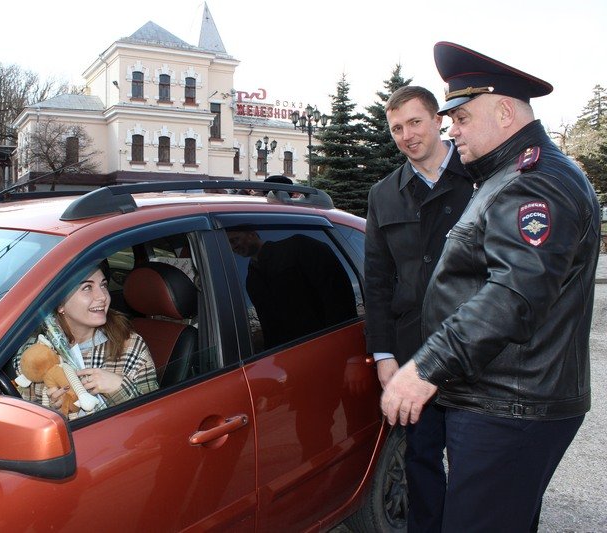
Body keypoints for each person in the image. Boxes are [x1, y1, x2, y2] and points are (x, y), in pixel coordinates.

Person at [381, 42, 600, 532]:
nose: (450, 128)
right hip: (504, 398)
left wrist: (427, 367)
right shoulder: (511, 175)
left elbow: (513, 295)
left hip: (509, 406)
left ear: (504, 112)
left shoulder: (533, 182)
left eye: (460, 116)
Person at [365, 85, 473, 532]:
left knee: (476, 468)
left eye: (414, 122)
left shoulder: (480, 178)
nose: (407, 135)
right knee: (422, 462)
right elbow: (375, 281)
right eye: (396, 128)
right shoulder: (384, 194)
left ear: (437, 120)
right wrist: (384, 355)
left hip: (476, 351)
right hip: (414, 355)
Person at [14, 260, 158, 417]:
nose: (102, 296)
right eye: (87, 287)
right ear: (59, 304)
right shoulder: (36, 350)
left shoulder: (130, 346)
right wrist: (55, 413)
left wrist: (119, 387)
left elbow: (154, 416)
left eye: (103, 285)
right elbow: (23, 416)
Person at [227, 228, 357, 350]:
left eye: (235, 240)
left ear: (251, 234)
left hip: (328, 346)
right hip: (288, 357)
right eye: (229, 244)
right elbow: (268, 326)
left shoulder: (298, 247)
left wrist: (337, 343)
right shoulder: (251, 280)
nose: (234, 247)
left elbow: (338, 296)